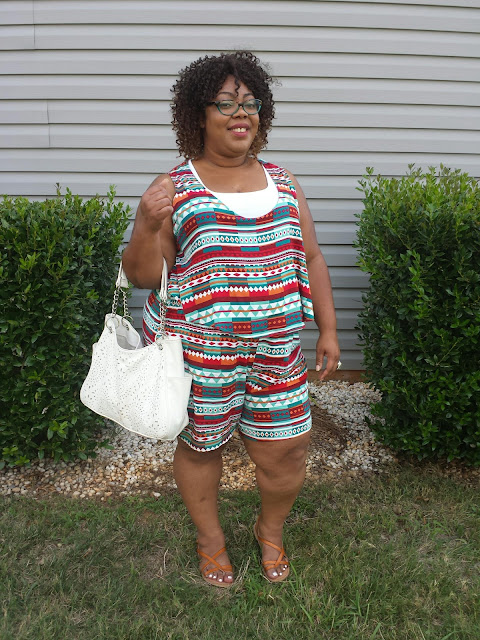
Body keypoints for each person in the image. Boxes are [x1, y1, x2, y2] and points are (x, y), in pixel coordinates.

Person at [122, 51, 340, 587]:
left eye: (250, 103)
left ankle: (271, 530)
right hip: (199, 356)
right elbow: (144, 276)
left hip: (277, 351)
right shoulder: (175, 186)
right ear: (199, 115)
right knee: (202, 446)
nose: (241, 113)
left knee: (286, 449)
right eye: (225, 103)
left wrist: (329, 328)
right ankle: (210, 540)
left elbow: (312, 257)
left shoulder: (283, 182)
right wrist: (146, 226)